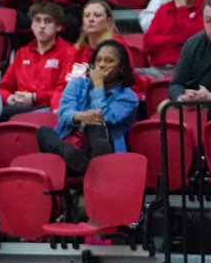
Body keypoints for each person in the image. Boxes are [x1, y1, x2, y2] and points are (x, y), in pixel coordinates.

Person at [37, 40, 139, 174]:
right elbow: (64, 112)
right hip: (71, 146)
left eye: (109, 61)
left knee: (95, 124)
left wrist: (98, 85)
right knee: (43, 132)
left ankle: (94, 168)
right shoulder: (77, 84)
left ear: (121, 68)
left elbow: (105, 117)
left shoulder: (128, 97)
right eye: (99, 60)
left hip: (104, 149)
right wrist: (81, 116)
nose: (102, 65)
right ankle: (70, 154)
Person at [0, 1, 73, 119]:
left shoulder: (69, 52)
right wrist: (11, 99)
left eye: (48, 21)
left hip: (49, 108)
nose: (42, 26)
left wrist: (34, 97)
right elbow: (3, 87)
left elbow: (66, 91)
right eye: (37, 20)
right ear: (31, 25)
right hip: (17, 107)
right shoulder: (22, 53)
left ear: (58, 27)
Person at [143, 0, 210, 70]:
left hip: (192, 71)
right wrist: (178, 40)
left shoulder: (209, 8)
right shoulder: (164, 9)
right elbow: (148, 45)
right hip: (158, 69)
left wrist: (181, 7)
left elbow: (195, 43)